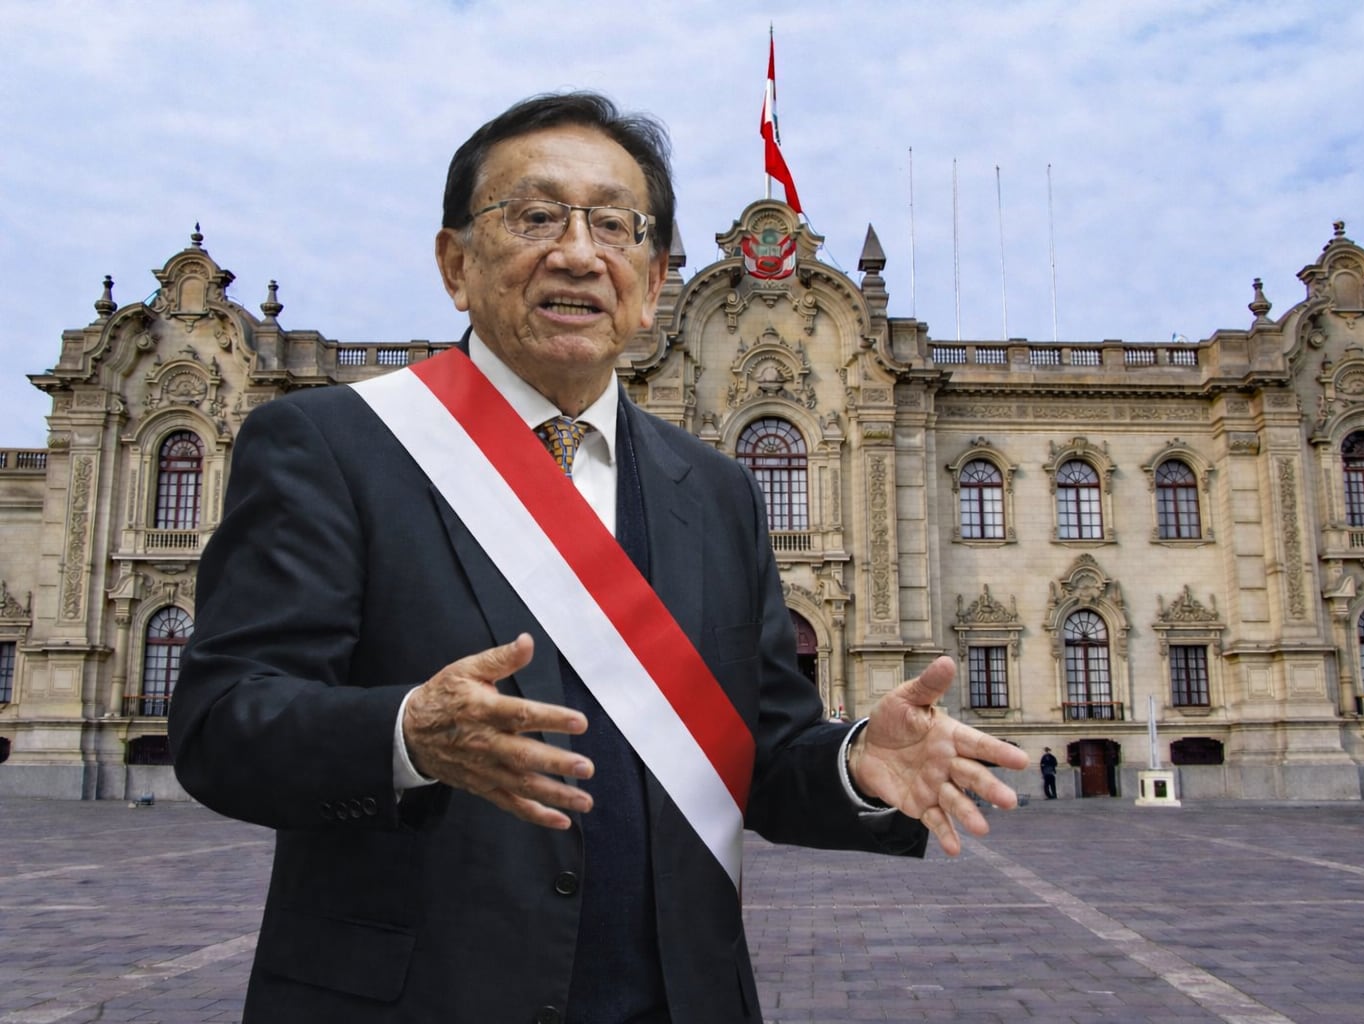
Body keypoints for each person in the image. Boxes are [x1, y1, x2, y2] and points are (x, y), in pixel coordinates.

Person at [169, 91, 1029, 1024]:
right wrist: (407, 733)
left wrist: (858, 764)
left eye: (613, 224)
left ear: (654, 280)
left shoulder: (714, 490)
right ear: (456, 264)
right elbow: (221, 724)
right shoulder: (332, 444)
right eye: (535, 216)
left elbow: (762, 751)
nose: (578, 251)